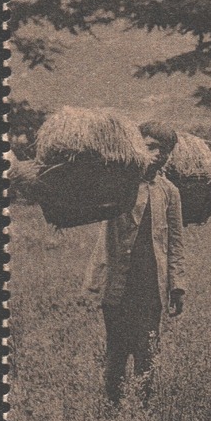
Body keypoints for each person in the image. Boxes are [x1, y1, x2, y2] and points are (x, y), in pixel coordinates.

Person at [85, 120, 186, 405]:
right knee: (117, 345)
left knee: (147, 347)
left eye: (163, 150)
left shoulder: (169, 192)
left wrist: (177, 286)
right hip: (118, 278)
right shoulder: (118, 184)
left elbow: (176, 242)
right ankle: (112, 405)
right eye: (150, 147)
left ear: (169, 154)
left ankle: (142, 406)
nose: (156, 155)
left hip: (151, 283)